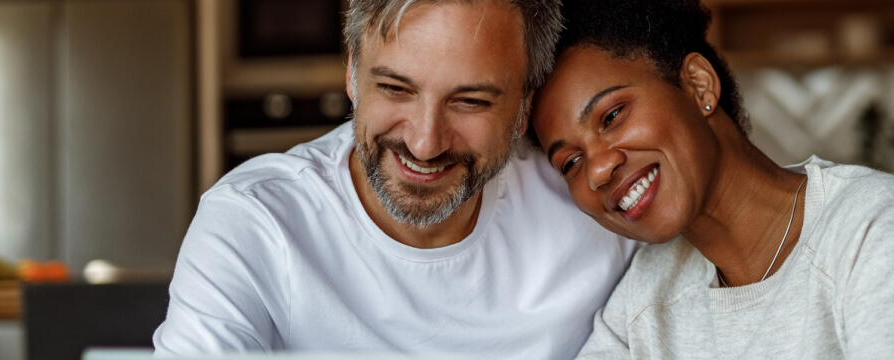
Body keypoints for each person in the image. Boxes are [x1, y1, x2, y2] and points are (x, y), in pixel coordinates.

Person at [151, 0, 637, 357]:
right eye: (394, 89)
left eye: (471, 101)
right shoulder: (256, 223)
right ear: (351, 73)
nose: (425, 144)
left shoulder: (596, 216)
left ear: (525, 105)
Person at [527, 0, 894, 358]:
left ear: (698, 86)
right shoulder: (645, 299)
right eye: (569, 162)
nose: (597, 169)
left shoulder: (879, 229)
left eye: (612, 116)